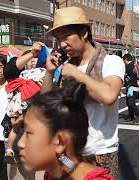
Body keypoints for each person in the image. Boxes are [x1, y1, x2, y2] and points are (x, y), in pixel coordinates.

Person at [41, 6, 125, 177]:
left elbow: (108, 96)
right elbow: (46, 104)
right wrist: (49, 72)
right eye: (58, 39)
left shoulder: (111, 62)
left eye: (66, 36)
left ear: (84, 33)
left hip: (100, 153)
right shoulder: (66, 68)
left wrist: (77, 74)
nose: (62, 44)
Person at [18, 79, 114, 180]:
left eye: (28, 133)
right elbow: (65, 161)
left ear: (60, 142)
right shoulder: (54, 173)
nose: (20, 143)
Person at [123, 54, 139, 124]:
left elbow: (122, 73)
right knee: (129, 103)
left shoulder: (128, 66)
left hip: (132, 87)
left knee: (131, 103)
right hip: (131, 87)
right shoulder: (133, 65)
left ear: (125, 59)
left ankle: (137, 116)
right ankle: (131, 117)